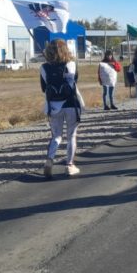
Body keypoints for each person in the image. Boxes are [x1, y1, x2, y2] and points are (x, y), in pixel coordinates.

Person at [40, 39, 82, 178]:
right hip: (71, 103)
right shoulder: (71, 64)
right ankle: (69, 165)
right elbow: (75, 81)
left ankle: (49, 160)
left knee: (56, 136)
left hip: (53, 105)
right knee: (71, 136)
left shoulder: (44, 67)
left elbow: (43, 88)